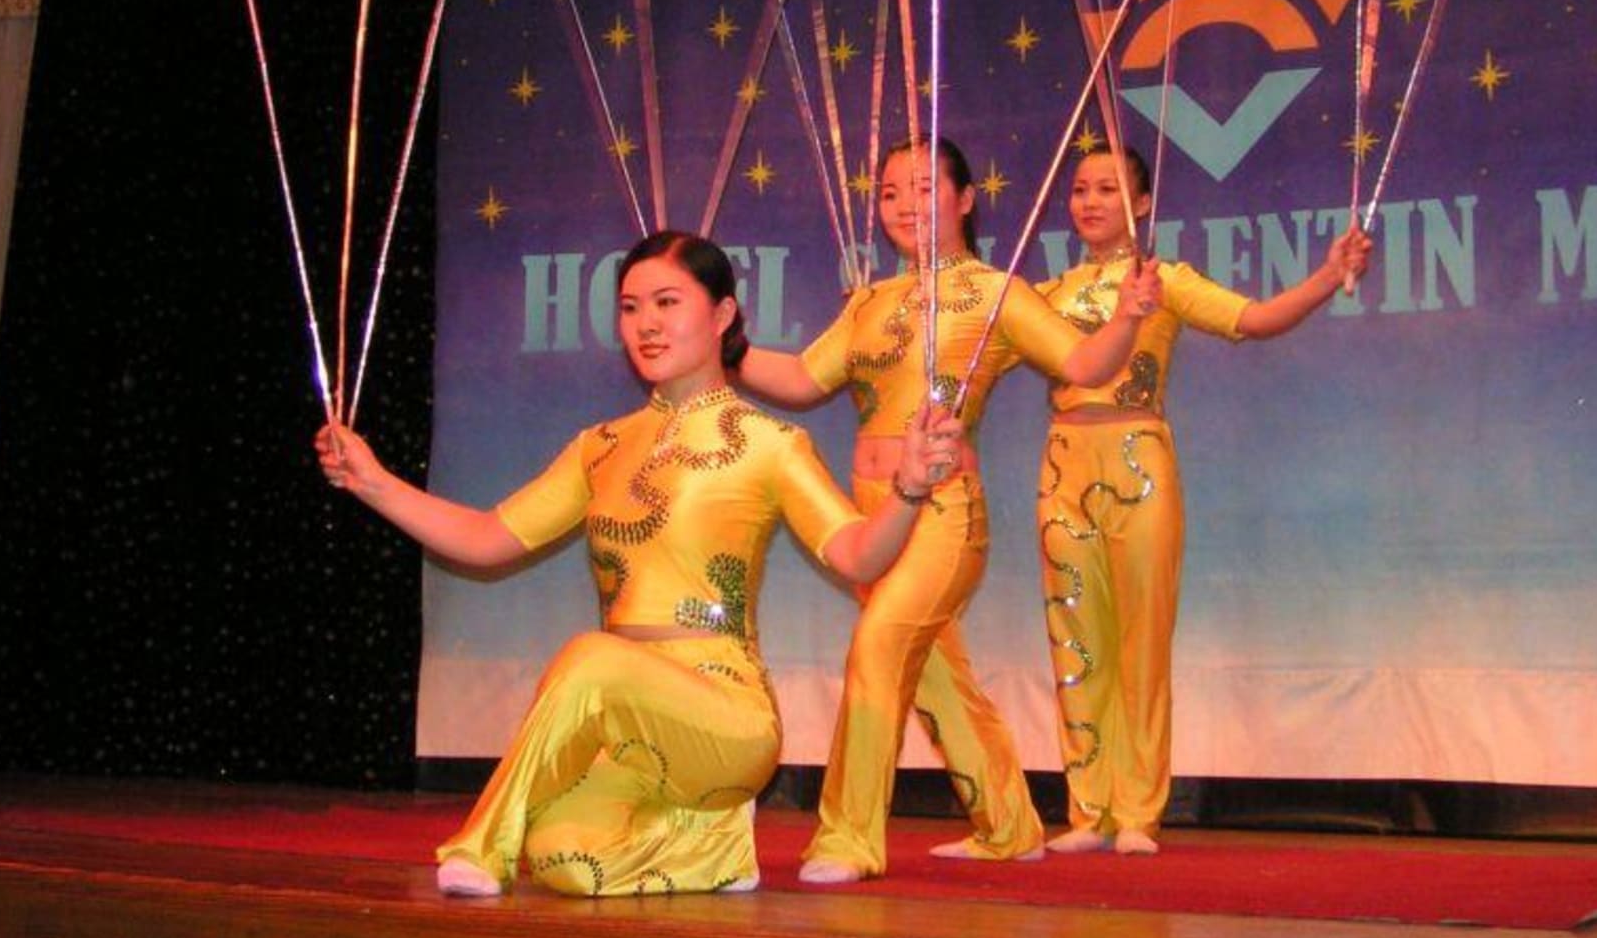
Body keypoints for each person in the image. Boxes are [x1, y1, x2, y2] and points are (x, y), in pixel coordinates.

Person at [316, 229, 961, 898]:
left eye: (666, 302)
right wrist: (373, 483)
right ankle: (715, 850)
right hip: (630, 735)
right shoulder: (600, 446)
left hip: (724, 719)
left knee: (591, 657)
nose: (646, 323)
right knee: (565, 858)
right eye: (630, 307)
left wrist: (909, 491)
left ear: (722, 314)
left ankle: (479, 846)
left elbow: (859, 554)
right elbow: (484, 538)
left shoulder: (771, 443)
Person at [739, 138, 1159, 883]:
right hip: (873, 514)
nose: (905, 205)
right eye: (891, 192)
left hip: (943, 512)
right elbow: (803, 378)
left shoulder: (997, 293)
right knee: (935, 675)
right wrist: (724, 345)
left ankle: (848, 837)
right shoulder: (870, 301)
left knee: (878, 647)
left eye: (925, 188)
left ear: (965, 199)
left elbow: (1084, 363)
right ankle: (1010, 826)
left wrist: (1126, 320)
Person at [1035, 146, 1372, 855]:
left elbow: (1256, 319)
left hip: (1140, 465)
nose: (1090, 201)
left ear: (1142, 204)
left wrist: (1326, 275)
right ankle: (1088, 811)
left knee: (1141, 642)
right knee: (1076, 642)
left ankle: (1136, 811)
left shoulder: (1165, 282)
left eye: (1108, 190)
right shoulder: (1047, 294)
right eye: (1081, 189)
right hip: (1063, 469)